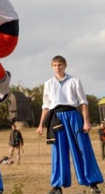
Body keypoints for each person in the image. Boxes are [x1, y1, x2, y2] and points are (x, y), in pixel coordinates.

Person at [36, 55, 103, 194]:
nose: (57, 67)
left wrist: (86, 121)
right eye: (54, 65)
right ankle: (57, 185)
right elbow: (46, 106)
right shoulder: (48, 83)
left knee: (82, 148)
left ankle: (92, 183)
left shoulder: (75, 81)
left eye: (60, 65)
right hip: (56, 119)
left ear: (65, 66)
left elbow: (83, 102)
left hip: (73, 116)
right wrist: (41, 124)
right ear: (52, 67)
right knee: (58, 151)